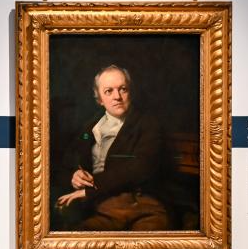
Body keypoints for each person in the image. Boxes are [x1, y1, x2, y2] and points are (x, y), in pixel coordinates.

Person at [56, 64, 171, 230]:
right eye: (109, 91)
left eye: (123, 89)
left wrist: (91, 188)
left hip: (142, 207)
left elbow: (139, 168)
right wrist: (74, 175)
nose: (117, 96)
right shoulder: (90, 128)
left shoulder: (148, 124)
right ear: (99, 99)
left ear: (130, 92)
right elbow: (69, 160)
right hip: (102, 208)